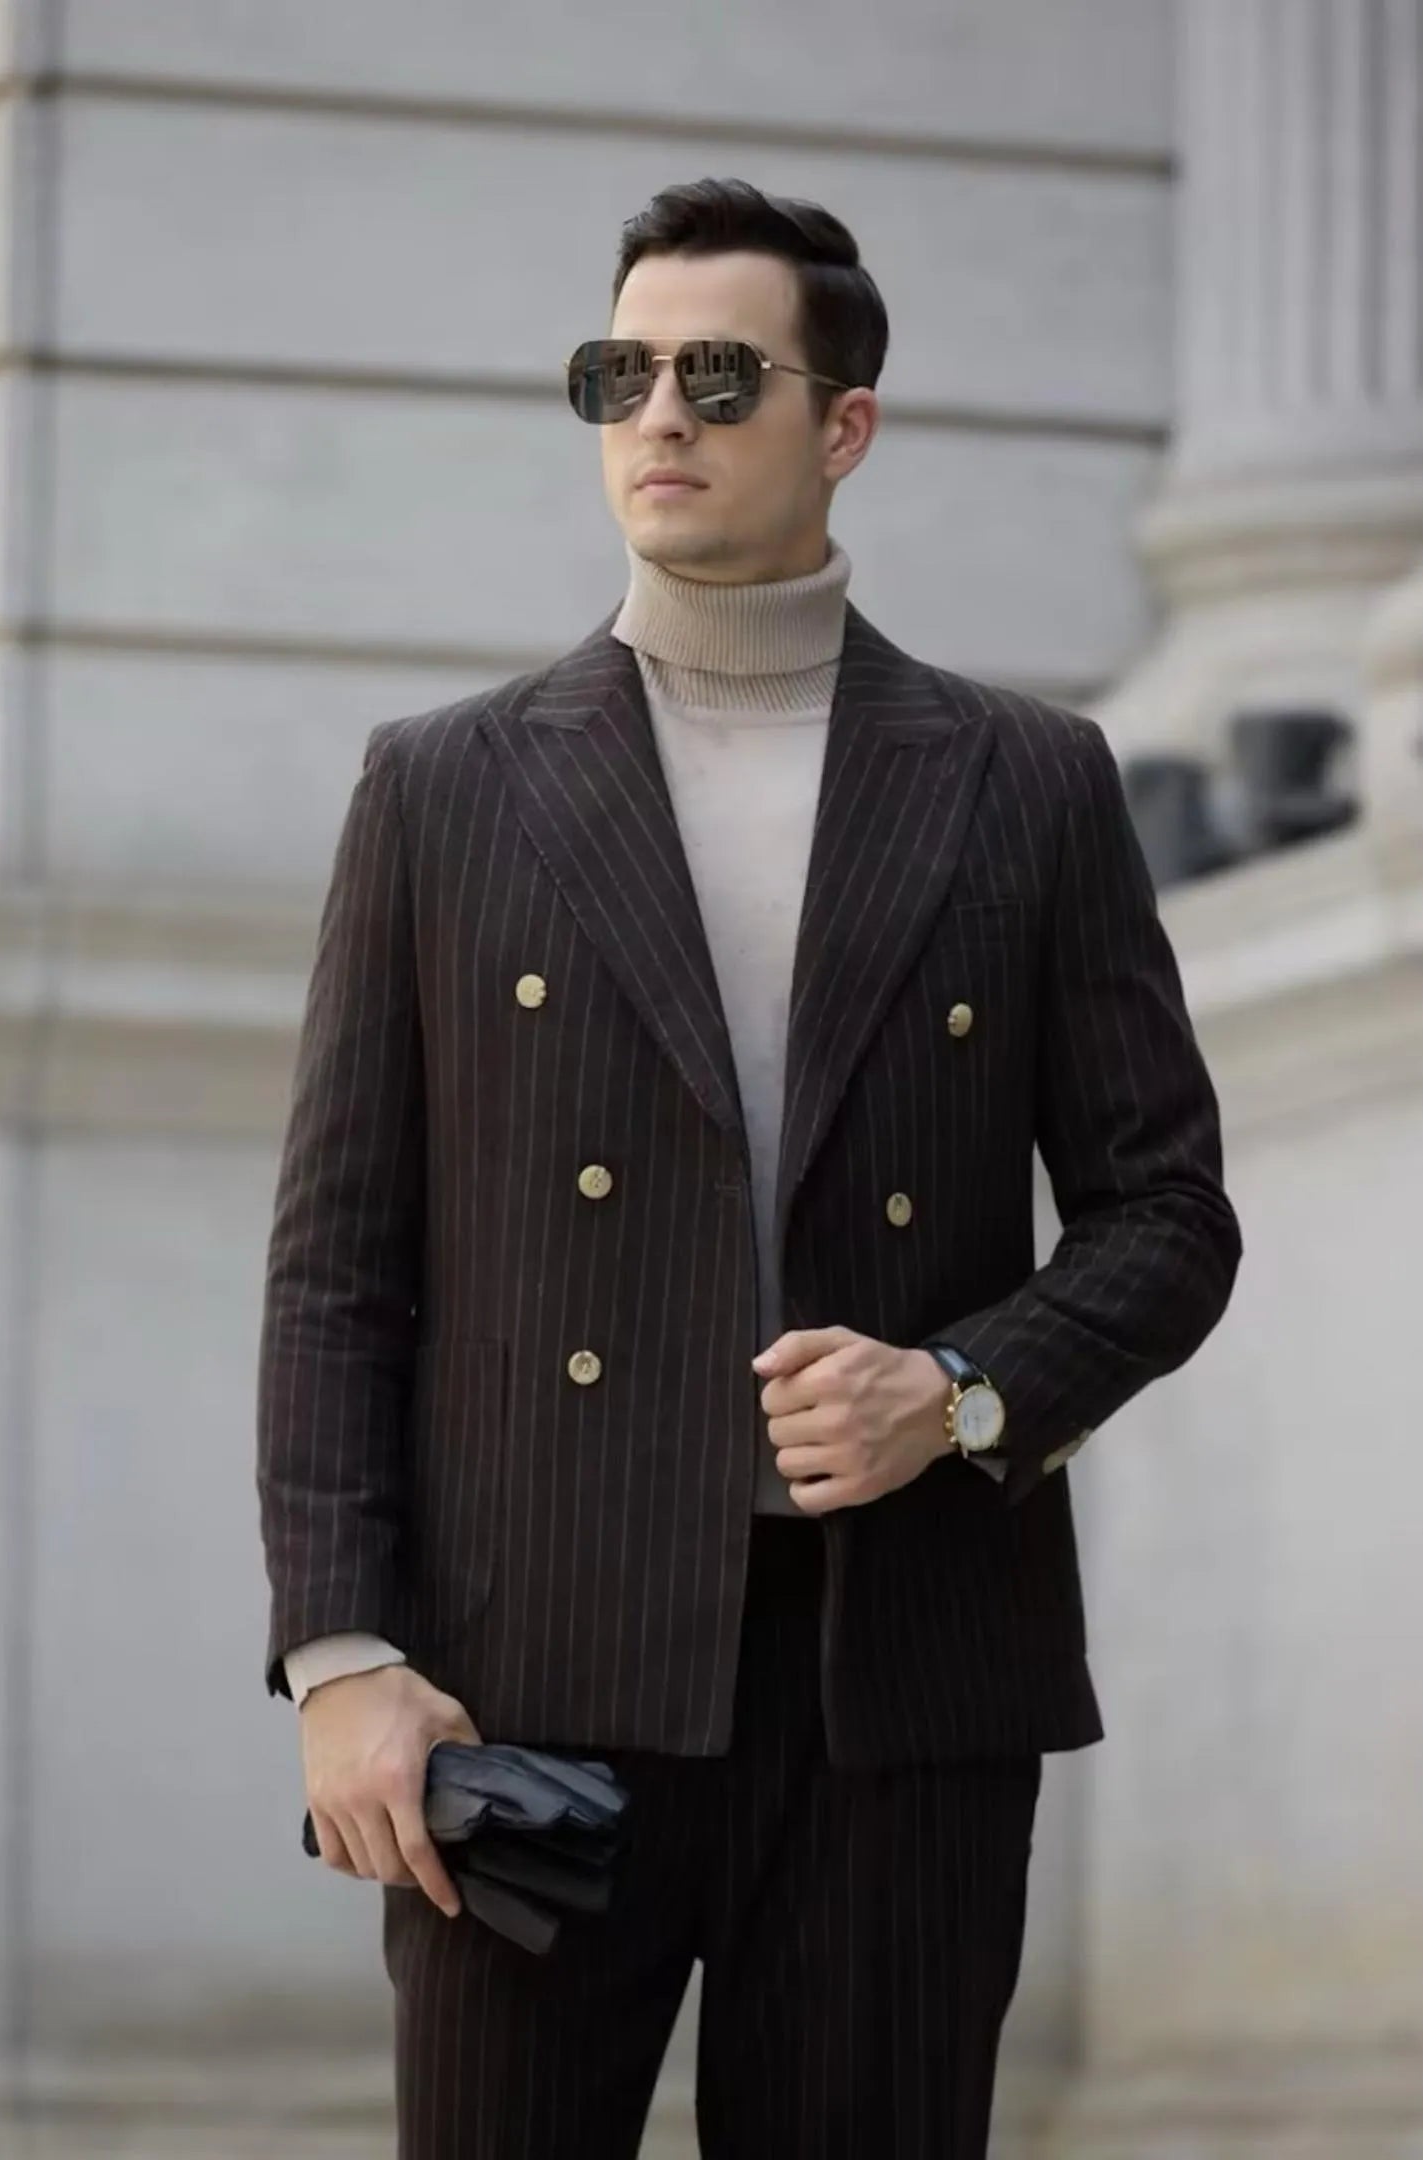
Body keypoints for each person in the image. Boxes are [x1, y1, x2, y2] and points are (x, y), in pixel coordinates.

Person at [256, 177, 1242, 2159]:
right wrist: (343, 1660)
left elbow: (1167, 1215)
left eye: (721, 373)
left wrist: (957, 1392)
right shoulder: (446, 787)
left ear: (842, 423)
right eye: (618, 371)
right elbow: (339, 1270)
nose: (661, 414)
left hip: (893, 1687)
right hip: (524, 1686)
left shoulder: (1023, 780)